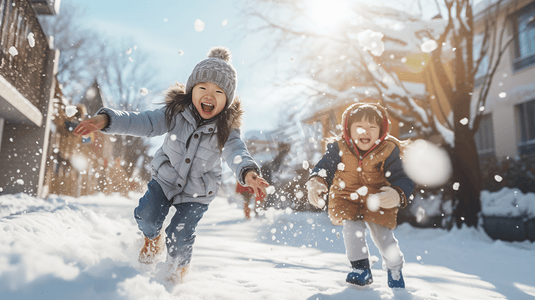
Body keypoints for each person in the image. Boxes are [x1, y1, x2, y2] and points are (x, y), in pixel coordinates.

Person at [73, 46, 269, 284]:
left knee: (180, 234)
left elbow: (236, 151)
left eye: (219, 91)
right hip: (165, 180)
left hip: (198, 191)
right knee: (147, 216)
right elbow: (143, 121)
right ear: (191, 90)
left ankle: (176, 273)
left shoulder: (225, 128)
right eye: (203, 88)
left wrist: (248, 172)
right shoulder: (174, 113)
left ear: (226, 100)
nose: (209, 95)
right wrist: (108, 119)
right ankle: (151, 240)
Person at [305, 102, 414, 289]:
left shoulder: (388, 149)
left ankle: (394, 268)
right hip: (348, 198)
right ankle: (360, 268)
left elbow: (402, 176)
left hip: (378, 199)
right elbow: (326, 164)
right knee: (351, 230)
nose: (366, 132)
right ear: (348, 130)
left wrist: (398, 192)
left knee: (383, 236)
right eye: (360, 127)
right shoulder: (339, 147)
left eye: (372, 127)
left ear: (381, 131)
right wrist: (317, 180)